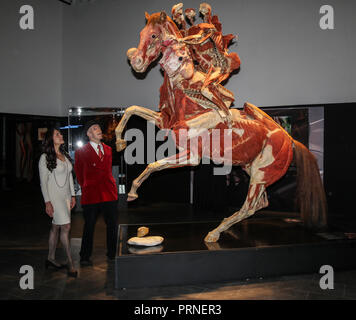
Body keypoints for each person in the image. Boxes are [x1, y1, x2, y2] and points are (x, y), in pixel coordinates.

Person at [74, 120, 118, 266]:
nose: (98, 129)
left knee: (112, 224)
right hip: (91, 194)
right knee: (89, 225)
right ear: (88, 134)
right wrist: (86, 186)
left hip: (108, 193)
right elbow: (79, 173)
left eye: (99, 127)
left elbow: (108, 170)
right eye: (94, 128)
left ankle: (113, 253)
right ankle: (84, 256)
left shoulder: (108, 149)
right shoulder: (81, 151)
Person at [39, 127, 77, 277]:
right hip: (54, 197)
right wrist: (47, 202)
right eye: (57, 134)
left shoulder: (64, 155)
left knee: (56, 227)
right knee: (66, 227)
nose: (61, 135)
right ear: (51, 139)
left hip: (66, 196)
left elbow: (69, 177)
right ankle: (70, 262)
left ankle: (50, 258)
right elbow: (43, 182)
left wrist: (73, 196)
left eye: (60, 134)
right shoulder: (45, 157)